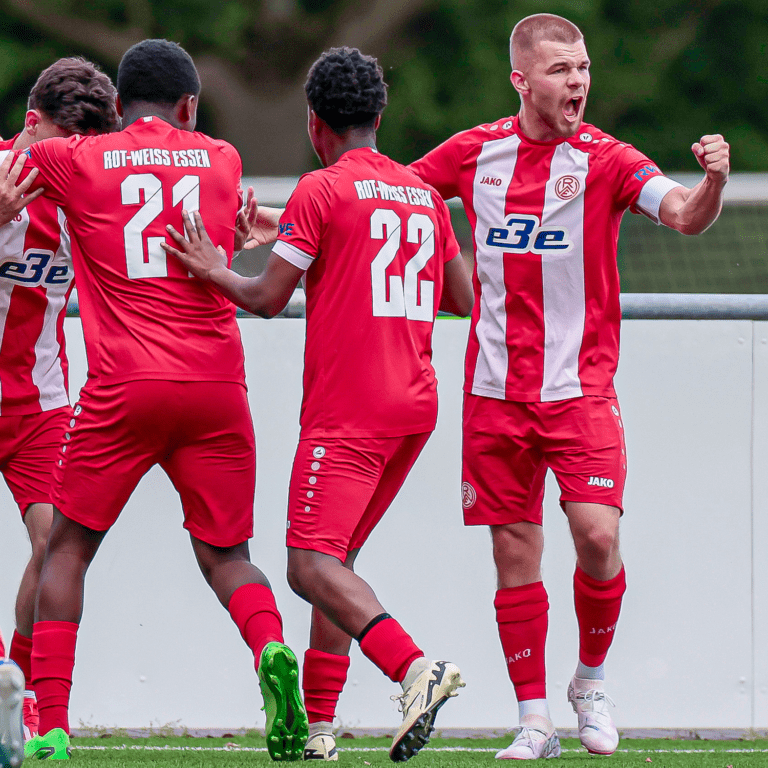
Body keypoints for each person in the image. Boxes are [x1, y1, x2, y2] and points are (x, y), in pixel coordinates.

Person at [407, 12, 730, 760]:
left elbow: (684, 217)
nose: (578, 82)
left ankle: (589, 682)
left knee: (597, 536)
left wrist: (713, 179)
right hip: (494, 391)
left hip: (579, 390)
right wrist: (284, 224)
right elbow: (385, 197)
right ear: (522, 81)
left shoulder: (608, 159)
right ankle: (534, 720)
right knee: (515, 554)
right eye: (560, 70)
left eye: (582, 68)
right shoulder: (472, 152)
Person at [162, 46, 473, 763]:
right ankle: (322, 726)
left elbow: (267, 299)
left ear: (314, 123)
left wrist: (214, 267)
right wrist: (314, 250)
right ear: (380, 114)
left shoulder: (321, 190)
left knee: (307, 566)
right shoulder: (421, 193)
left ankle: (413, 668)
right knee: (340, 561)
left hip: (351, 408)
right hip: (413, 406)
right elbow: (459, 299)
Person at [13, 39, 308, 762]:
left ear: (116, 107)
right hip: (215, 388)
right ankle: (270, 647)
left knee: (65, 552)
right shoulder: (224, 159)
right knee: (228, 555)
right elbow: (249, 223)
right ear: (191, 107)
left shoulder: (76, 159)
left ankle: (50, 724)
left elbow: (19, 163)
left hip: (124, 388)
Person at [0, 57, 120, 754]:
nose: (62, 163)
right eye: (55, 144)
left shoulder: (87, 195)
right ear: (29, 123)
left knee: (54, 547)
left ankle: (16, 688)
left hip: (40, 404)